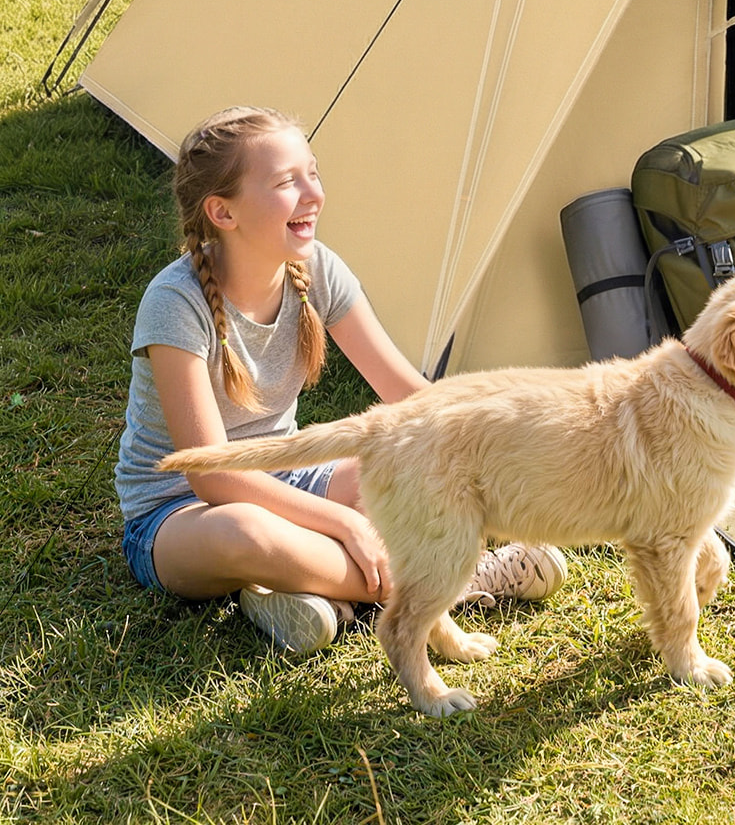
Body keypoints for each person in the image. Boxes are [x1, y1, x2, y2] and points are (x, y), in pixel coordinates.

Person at [117, 106, 568, 652]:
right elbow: (210, 475)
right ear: (222, 212)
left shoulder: (319, 269)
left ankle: (310, 593)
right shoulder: (175, 303)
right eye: (287, 181)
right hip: (177, 511)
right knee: (246, 532)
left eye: (314, 172)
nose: (313, 193)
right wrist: (343, 523)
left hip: (288, 476)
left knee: (409, 463)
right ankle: (465, 580)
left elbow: (413, 400)